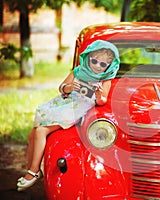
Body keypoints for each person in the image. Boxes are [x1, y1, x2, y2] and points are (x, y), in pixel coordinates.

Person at [16, 40, 120, 191]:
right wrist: (70, 87)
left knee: (41, 131)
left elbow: (102, 100)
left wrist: (98, 94)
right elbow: (62, 88)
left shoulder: (104, 79)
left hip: (77, 108)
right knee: (33, 133)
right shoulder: (78, 71)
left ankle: (34, 171)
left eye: (103, 64)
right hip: (65, 102)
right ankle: (31, 168)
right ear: (88, 57)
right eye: (94, 61)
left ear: (109, 66)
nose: (97, 66)